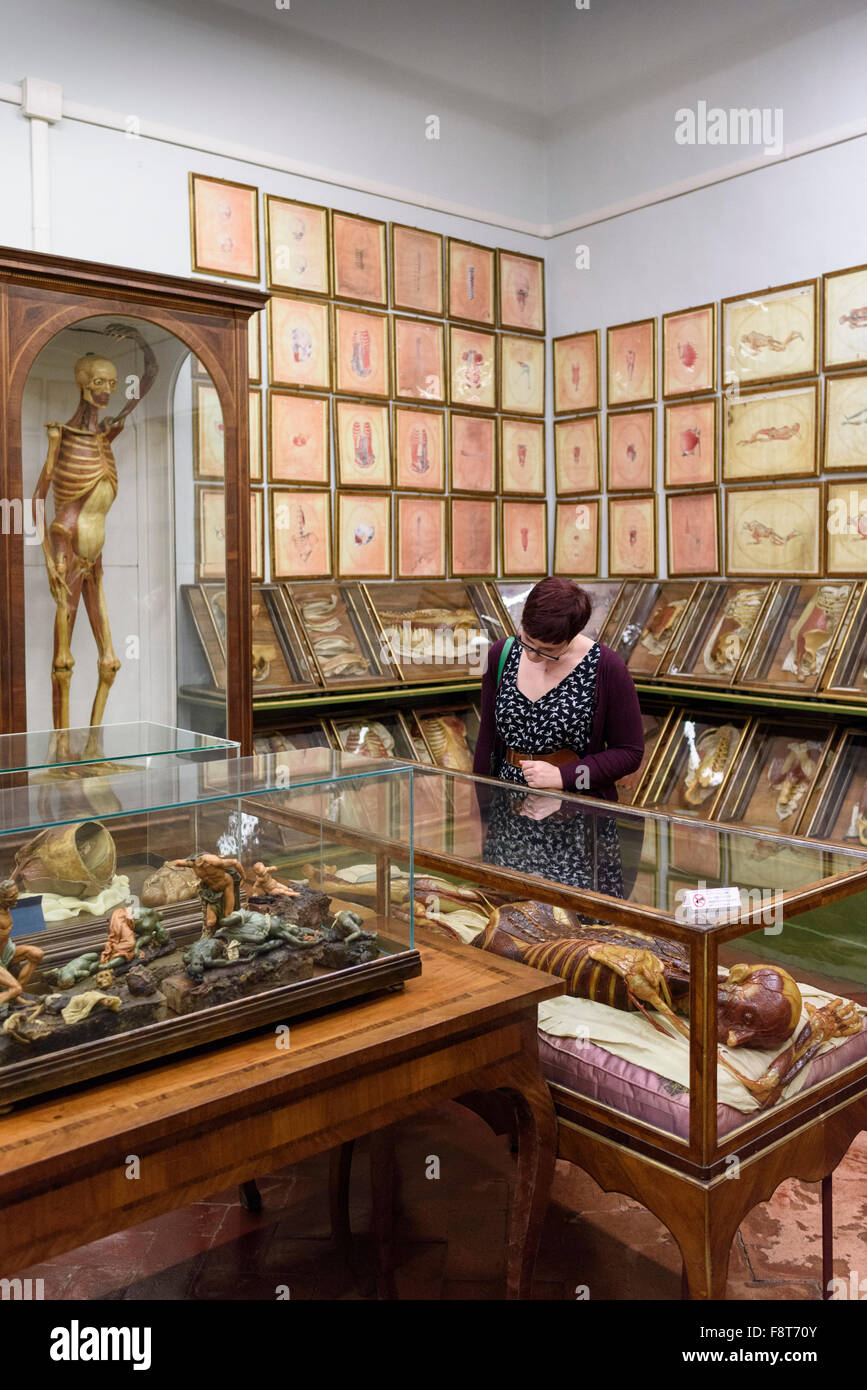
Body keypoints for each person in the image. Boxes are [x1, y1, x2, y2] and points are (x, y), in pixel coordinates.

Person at [473, 576, 645, 801]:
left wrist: (565, 777)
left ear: (572, 636)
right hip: (506, 809)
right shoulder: (502, 655)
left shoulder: (606, 667)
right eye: (527, 640)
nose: (533, 655)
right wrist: (482, 813)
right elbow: (487, 738)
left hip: (577, 811)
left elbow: (629, 753)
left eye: (548, 650)